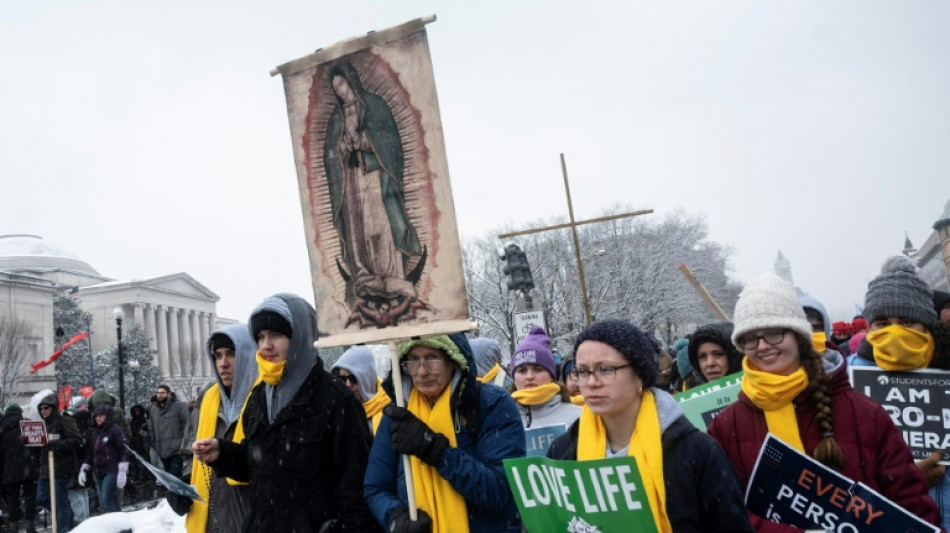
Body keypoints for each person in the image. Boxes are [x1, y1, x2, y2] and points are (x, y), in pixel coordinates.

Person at [708, 272, 942, 532]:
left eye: (774, 333)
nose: (762, 346)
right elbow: (722, 513)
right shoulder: (724, 426)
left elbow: (912, 507)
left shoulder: (865, 414)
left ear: (799, 335)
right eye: (750, 338)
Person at [192, 293, 377, 532]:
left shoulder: (336, 400)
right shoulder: (260, 396)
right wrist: (225, 453)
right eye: (260, 336)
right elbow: (259, 466)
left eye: (276, 335)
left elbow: (357, 493)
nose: (266, 345)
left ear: (300, 337)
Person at [547, 319, 754, 533]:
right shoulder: (563, 452)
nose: (590, 382)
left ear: (639, 375)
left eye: (605, 369)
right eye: (581, 371)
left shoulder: (696, 452)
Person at [364, 333, 526, 532]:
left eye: (432, 357)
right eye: (413, 360)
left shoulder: (491, 404)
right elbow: (376, 487)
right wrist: (396, 517)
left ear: (454, 360)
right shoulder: (398, 413)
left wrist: (436, 451)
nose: (422, 372)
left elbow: (499, 491)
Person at [846, 256, 950, 530]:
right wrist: (905, 481)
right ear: (869, 328)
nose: (894, 333)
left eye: (906, 321)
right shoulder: (845, 383)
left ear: (926, 324)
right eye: (882, 323)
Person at [324, 61, 425, 328]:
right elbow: (330, 156)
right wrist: (343, 147)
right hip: (351, 181)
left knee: (380, 225)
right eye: (336, 88)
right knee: (358, 231)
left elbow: (389, 140)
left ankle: (391, 274)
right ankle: (364, 275)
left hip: (374, 175)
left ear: (351, 80)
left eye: (343, 84)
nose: (341, 91)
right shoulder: (337, 118)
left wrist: (366, 140)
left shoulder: (374, 105)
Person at [169, 323, 258, 532]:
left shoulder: (265, 399)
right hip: (213, 521)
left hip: (252, 519)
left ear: (248, 355)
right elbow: (190, 454)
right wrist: (183, 486)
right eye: (218, 356)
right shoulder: (207, 401)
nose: (223, 363)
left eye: (231, 354)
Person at [508, 326, 581, 430]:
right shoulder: (501, 421)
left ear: (551, 376)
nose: (529, 376)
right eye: (522, 370)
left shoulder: (579, 417)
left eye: (538, 370)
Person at [36, 393, 82, 531]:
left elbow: (77, 440)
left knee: (59, 502)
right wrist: (26, 441)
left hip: (61, 468)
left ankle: (63, 528)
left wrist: (58, 445)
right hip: (45, 469)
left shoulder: (64, 421)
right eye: (41, 409)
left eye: (46, 408)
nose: (43, 411)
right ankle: (66, 515)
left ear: (53, 408)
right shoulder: (41, 426)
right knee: (42, 497)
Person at [78, 405, 128, 514]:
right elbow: (91, 453)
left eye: (101, 416)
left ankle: (113, 527)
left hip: (112, 470)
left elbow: (124, 450)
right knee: (111, 501)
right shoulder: (95, 432)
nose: (98, 418)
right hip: (99, 471)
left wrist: (122, 471)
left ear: (107, 416)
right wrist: (85, 468)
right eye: (96, 416)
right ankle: (120, 527)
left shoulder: (115, 430)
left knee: (107, 502)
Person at [331, 345, 391, 435]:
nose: (348, 385)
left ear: (367, 378)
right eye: (342, 379)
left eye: (353, 378)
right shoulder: (338, 413)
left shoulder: (392, 408)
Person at [0, 404, 39, 533]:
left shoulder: (2, 429)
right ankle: (30, 527)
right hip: (29, 467)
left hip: (10, 470)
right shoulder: (28, 426)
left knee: (12, 499)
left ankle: (13, 527)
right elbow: (37, 447)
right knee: (30, 497)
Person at [147, 384, 189, 480]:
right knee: (170, 479)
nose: (160, 395)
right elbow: (151, 428)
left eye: (163, 393)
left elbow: (187, 424)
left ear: (169, 394)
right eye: (158, 393)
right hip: (162, 450)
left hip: (177, 450)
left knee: (174, 478)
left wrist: (183, 443)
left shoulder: (178, 406)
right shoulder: (153, 409)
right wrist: (155, 444)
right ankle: (181, 495)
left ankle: (176, 494)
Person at [127, 404, 151, 500]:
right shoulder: (133, 421)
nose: (137, 412)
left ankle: (143, 478)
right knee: (138, 462)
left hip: (142, 443)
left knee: (143, 462)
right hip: (136, 444)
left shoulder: (142, 420)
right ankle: (140, 477)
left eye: (138, 410)